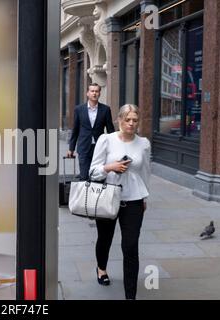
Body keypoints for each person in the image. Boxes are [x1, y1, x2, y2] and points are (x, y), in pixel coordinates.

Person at [89, 104, 151, 300]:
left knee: (131, 246)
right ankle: (101, 268)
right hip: (108, 197)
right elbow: (93, 171)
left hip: (134, 200)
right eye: (127, 120)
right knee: (105, 239)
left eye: (135, 120)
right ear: (119, 120)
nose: (131, 124)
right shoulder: (106, 140)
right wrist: (110, 167)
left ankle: (130, 296)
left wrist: (145, 197)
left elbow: (145, 172)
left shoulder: (144, 143)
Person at [67, 83, 115, 180]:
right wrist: (71, 148)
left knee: (98, 176)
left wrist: (114, 147)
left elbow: (110, 130)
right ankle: (84, 194)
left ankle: (95, 194)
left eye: (96, 91)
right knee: (84, 176)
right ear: (87, 93)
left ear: (99, 94)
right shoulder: (79, 109)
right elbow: (75, 129)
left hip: (99, 147)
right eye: (92, 91)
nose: (94, 93)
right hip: (84, 147)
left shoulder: (105, 110)